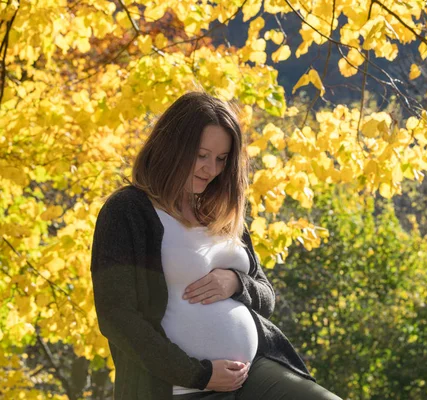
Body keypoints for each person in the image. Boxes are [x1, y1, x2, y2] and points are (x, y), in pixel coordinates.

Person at [91, 91, 342, 400]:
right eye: (201, 155)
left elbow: (267, 297)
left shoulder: (222, 211)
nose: (210, 169)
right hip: (180, 387)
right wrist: (200, 374)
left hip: (254, 372)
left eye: (221, 159)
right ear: (172, 146)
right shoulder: (128, 210)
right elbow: (117, 317)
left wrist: (236, 282)